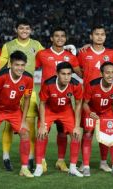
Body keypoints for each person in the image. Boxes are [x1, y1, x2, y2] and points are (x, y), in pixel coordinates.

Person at [0, 18, 44, 172]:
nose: (24, 31)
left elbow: (49, 56)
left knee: (29, 124)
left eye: (27, 28)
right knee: (9, 125)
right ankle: (6, 156)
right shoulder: (8, 46)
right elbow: (1, 67)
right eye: (21, 28)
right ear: (16, 30)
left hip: (28, 89)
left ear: (30, 30)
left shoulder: (36, 45)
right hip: (10, 88)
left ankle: (30, 157)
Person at [35, 27, 82, 172]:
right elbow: (29, 69)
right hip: (48, 101)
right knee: (42, 132)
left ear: (66, 39)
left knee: (64, 133)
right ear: (51, 38)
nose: (60, 38)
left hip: (65, 104)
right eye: (57, 36)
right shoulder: (42, 54)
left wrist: (78, 53)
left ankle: (61, 161)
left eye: (63, 36)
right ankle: (40, 162)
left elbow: (81, 74)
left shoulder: (71, 56)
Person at [77, 25, 113, 172]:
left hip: (106, 102)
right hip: (89, 100)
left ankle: (104, 162)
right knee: (88, 133)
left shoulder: (112, 53)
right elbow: (77, 69)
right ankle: (85, 164)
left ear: (105, 36)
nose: (99, 37)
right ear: (91, 36)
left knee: (107, 134)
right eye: (96, 34)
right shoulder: (83, 52)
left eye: (102, 34)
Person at [0, 50, 34, 178]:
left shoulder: (28, 78)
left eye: (22, 65)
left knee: (25, 133)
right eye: (17, 65)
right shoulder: (2, 76)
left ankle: (24, 168)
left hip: (14, 111)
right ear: (11, 64)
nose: (20, 68)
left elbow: (27, 99)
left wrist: (23, 119)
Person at [81, 62, 113, 177]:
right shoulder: (92, 85)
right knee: (87, 134)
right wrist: (90, 113)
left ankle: (111, 166)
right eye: (107, 73)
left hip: (107, 111)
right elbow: (84, 104)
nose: (110, 75)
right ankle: (85, 166)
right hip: (91, 111)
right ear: (101, 73)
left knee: (112, 136)